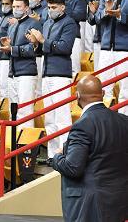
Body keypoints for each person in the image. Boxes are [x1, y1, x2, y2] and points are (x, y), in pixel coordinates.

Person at [52, 75, 128, 222]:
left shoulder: (82, 125)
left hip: (91, 207)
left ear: (77, 96)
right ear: (103, 94)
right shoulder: (124, 122)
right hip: (120, 202)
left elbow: (73, 168)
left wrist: (57, 157)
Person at [27, 0, 76, 159]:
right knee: (49, 117)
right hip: (47, 72)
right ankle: (52, 155)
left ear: (63, 7)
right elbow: (42, 50)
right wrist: (36, 43)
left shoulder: (69, 22)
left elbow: (65, 47)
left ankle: (66, 154)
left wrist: (42, 40)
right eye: (49, 7)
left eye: (54, 7)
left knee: (62, 116)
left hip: (61, 73)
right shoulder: (47, 23)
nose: (51, 10)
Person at [0, 0, 40, 129]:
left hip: (26, 72)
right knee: (13, 111)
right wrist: (7, 47)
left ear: (26, 8)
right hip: (13, 73)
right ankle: (14, 143)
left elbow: (33, 48)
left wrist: (12, 49)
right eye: (14, 7)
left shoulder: (33, 24)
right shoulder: (12, 26)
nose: (15, 9)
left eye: (18, 7)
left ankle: (26, 148)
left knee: (25, 111)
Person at [94, 0, 128, 115]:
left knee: (126, 91)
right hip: (107, 48)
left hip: (125, 49)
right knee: (104, 88)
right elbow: (96, 18)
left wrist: (120, 15)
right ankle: (106, 123)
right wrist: (106, 13)